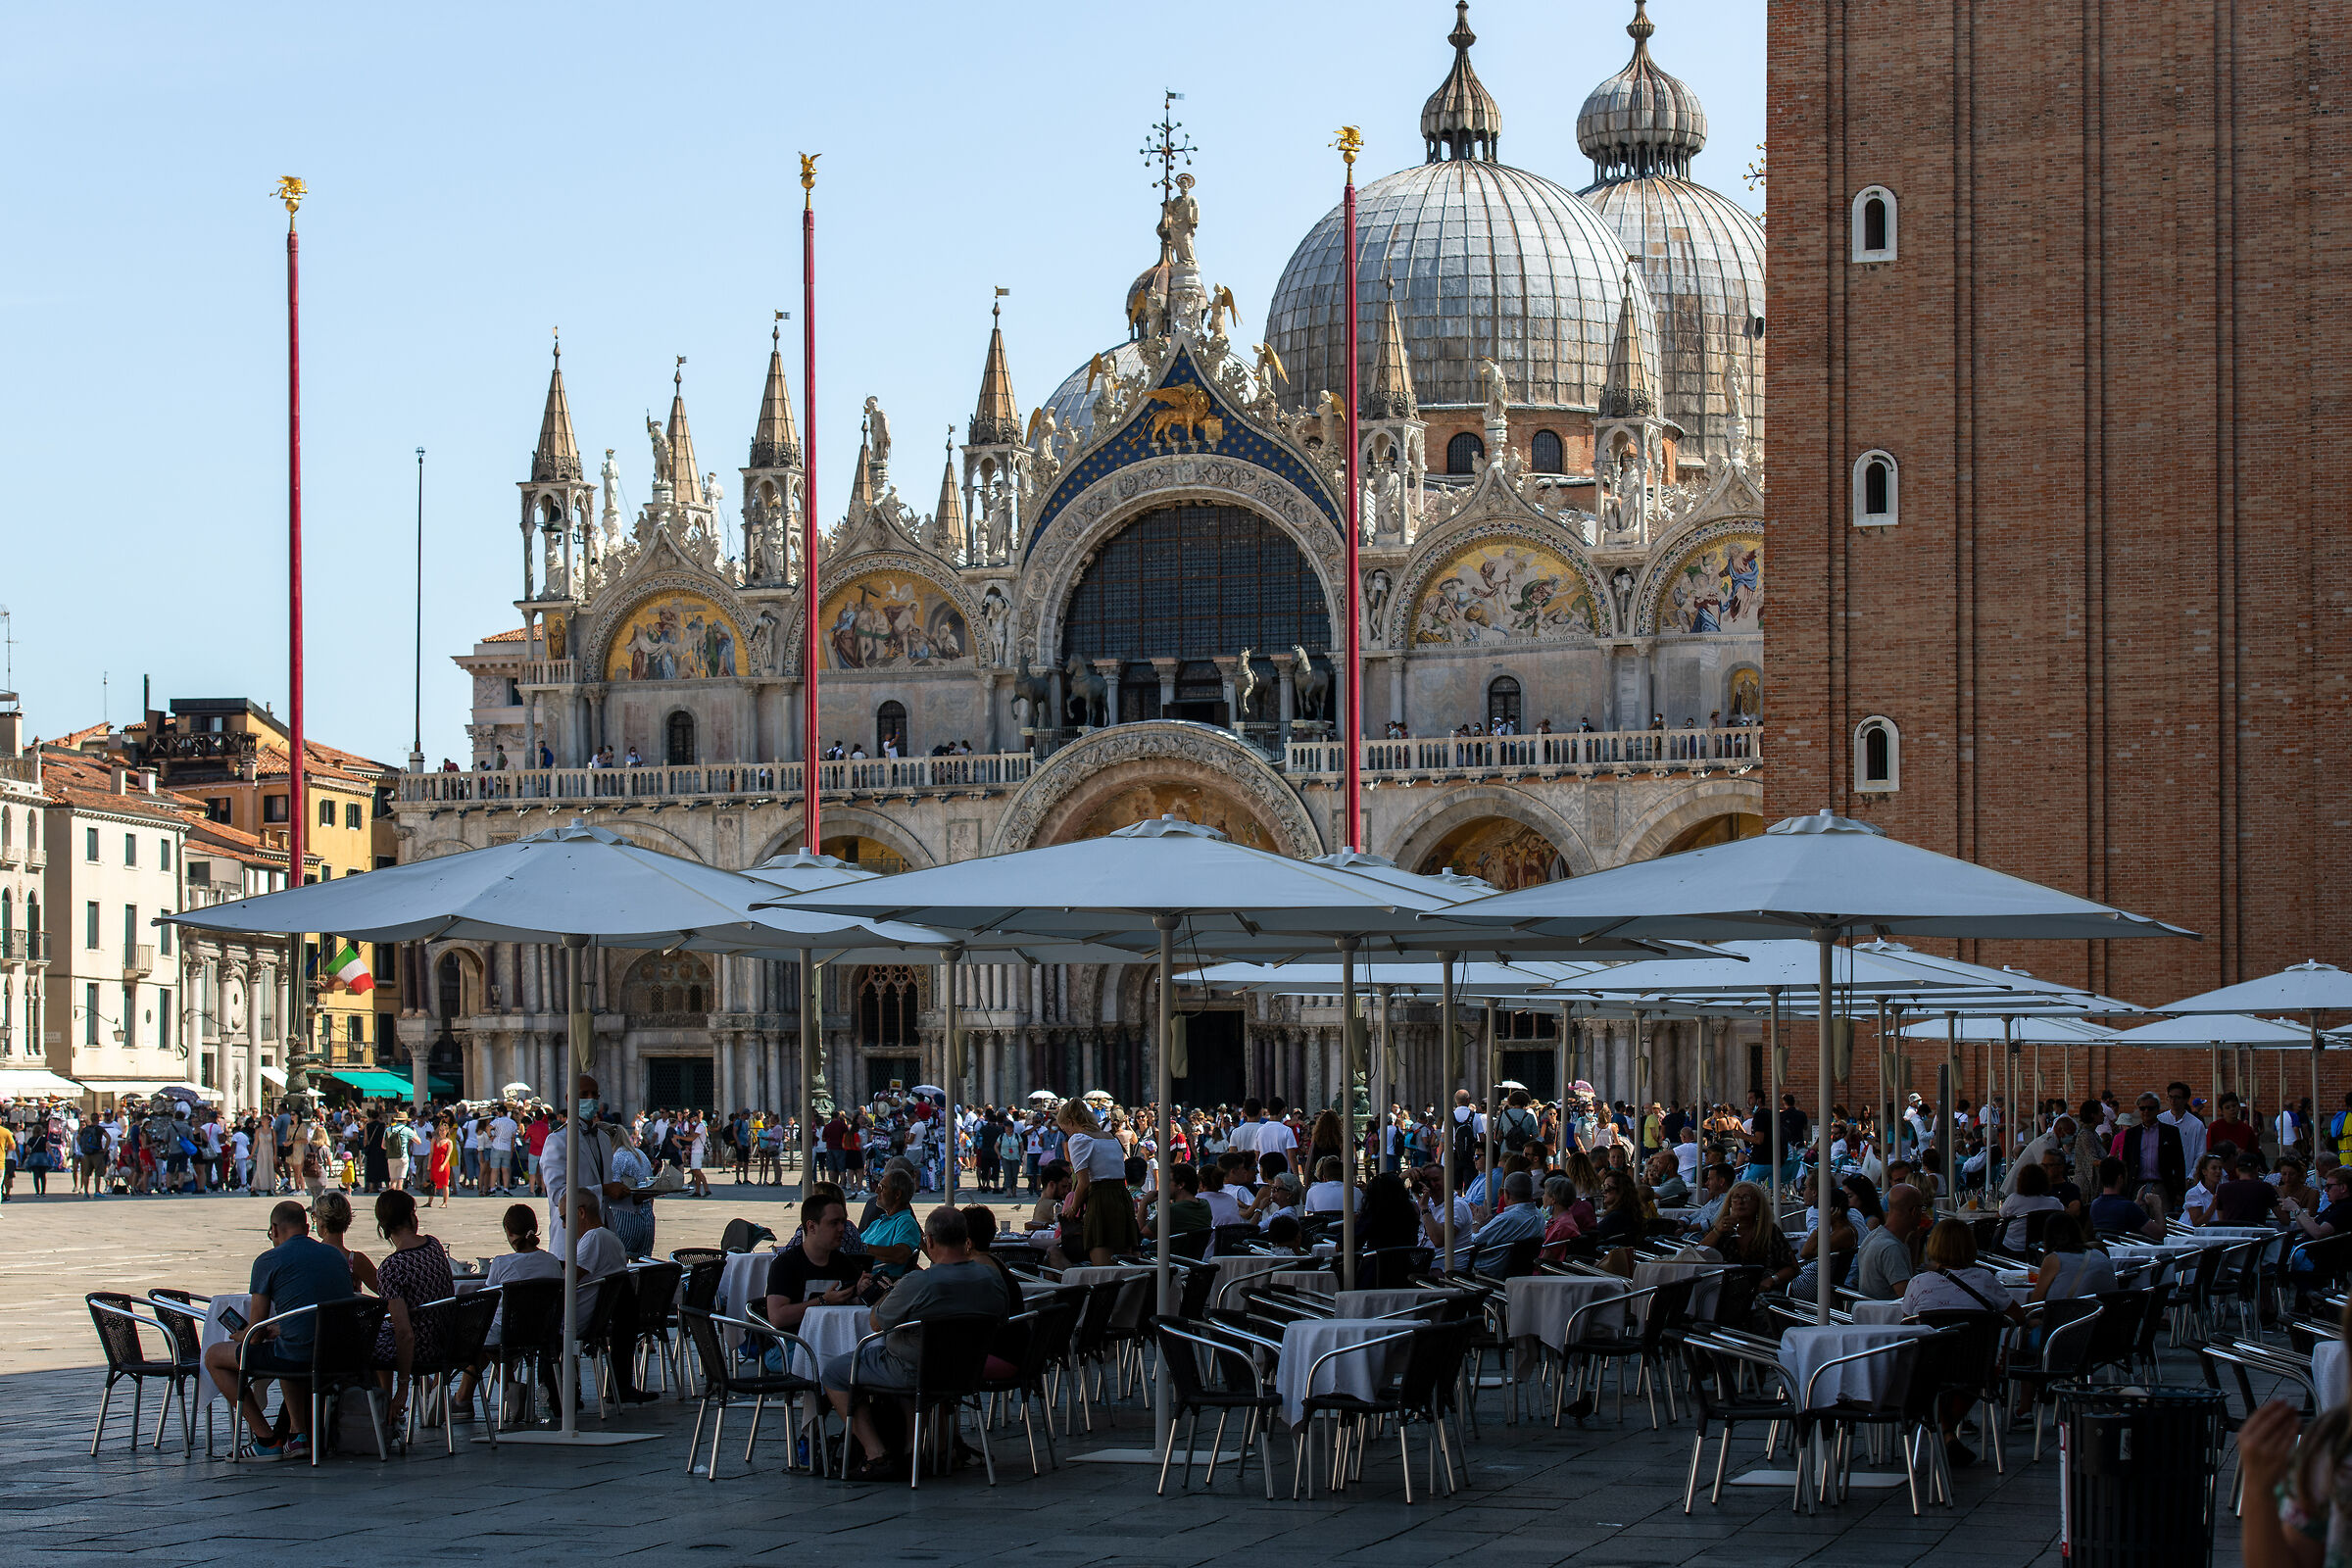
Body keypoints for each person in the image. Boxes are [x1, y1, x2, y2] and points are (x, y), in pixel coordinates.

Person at [822, 1206, 1013, 1483]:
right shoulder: (992, 1278)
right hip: (967, 1370)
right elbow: (1002, 1318)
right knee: (909, 1357)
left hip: (913, 1370)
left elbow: (877, 1322)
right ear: (965, 1239)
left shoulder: (919, 1282)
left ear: (930, 1242)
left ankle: (876, 1453)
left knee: (836, 1372)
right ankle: (914, 1451)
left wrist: (887, 1295)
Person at [203, 1200, 357, 1462]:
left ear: (274, 1229)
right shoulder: (335, 1255)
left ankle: (265, 1438)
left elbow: (257, 1332)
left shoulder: (268, 1260)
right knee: (288, 1342)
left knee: (215, 1356)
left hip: (298, 1356)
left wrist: (242, 1335)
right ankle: (298, 1435)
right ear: (308, 1227)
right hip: (342, 1354)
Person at [450, 1203, 564, 1419]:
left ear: (509, 1232)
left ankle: (466, 1399)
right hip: (544, 1333)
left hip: (508, 1334)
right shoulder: (551, 1262)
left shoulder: (502, 1263)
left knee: (479, 1338)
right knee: (487, 1339)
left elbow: (487, 1298)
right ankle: (503, 1391)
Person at [368, 1189, 456, 1431]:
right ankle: (386, 1412)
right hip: (447, 1340)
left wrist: (403, 1387)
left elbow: (404, 1333)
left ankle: (381, 1415)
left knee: (362, 1344)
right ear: (411, 1217)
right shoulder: (434, 1245)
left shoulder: (391, 1268)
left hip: (421, 1349)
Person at [1058, 1100, 1139, 1264]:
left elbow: (1083, 1182)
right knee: (1125, 1260)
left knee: (1103, 1264)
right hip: (1122, 1198)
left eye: (1064, 1128)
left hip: (1101, 1199)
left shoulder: (1079, 1139)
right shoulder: (1109, 1137)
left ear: (1070, 1122)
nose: (1066, 1132)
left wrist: (1073, 1209)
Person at [1702, 1181, 1798, 1290]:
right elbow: (1699, 1255)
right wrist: (1717, 1232)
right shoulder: (1721, 1229)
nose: (1740, 1202)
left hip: (1762, 1290)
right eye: (1736, 1197)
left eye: (1746, 1197)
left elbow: (1791, 1267)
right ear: (1730, 1203)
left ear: (1758, 1204)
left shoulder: (1769, 1230)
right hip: (1724, 1289)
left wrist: (1772, 1280)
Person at [2117, 1094, 2188, 1209]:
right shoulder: (2132, 1134)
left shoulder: (2170, 1132)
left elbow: (2179, 1163)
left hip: (2162, 1186)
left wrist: (2180, 1191)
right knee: (2138, 1223)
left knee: (2163, 1221)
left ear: (2157, 1110)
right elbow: (2126, 1162)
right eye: (2142, 1108)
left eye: (2150, 1108)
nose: (2146, 1111)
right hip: (2138, 1185)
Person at [1854, 1182, 1924, 1299]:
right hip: (1889, 1314)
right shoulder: (1891, 1248)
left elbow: (1908, 1276)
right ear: (1914, 1212)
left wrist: (1915, 1241)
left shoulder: (1875, 1235)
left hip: (1872, 1311)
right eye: (1922, 1207)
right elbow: (1909, 1298)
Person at [2029, 1215, 2118, 1301]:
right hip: (2103, 1312)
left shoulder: (2054, 1259)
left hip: (2071, 1313)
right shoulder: (2099, 1253)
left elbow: (2036, 1301)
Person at [311, 1191, 380, 1294]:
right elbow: (386, 1290)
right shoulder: (356, 1260)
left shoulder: (310, 1256)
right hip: (348, 1309)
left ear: (322, 1223)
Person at [859, 1168, 923, 1279]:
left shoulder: (905, 1222)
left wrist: (864, 1248)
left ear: (897, 1194)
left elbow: (900, 1254)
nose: (877, 1191)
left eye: (882, 1187)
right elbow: (856, 1244)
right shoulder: (877, 1222)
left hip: (878, 1284)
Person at [1999, 1162, 2066, 1250]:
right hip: (2042, 1249)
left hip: (2012, 1247)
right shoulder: (2054, 1203)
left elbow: (1999, 1218)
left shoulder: (2013, 1199)